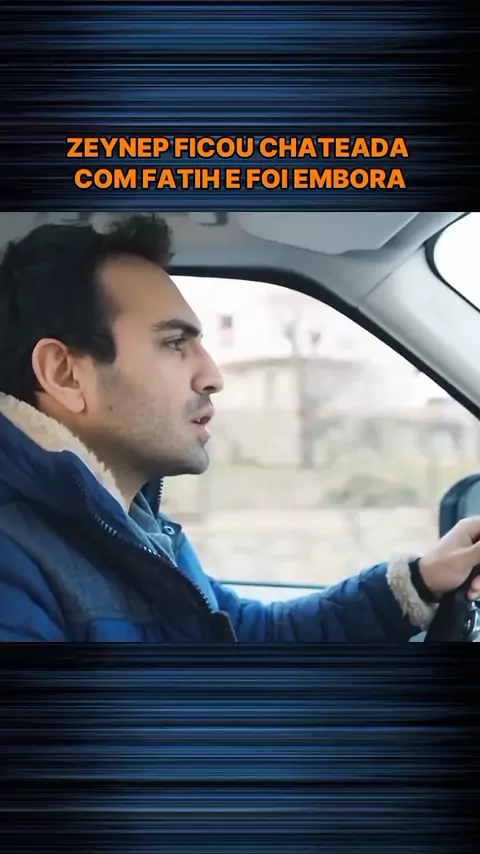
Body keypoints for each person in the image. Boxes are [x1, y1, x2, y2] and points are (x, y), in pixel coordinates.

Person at [0, 214, 479, 643]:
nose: (213, 376)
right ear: (65, 374)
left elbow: (246, 635)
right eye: (174, 343)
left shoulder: (133, 528)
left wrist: (420, 582)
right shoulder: (14, 564)